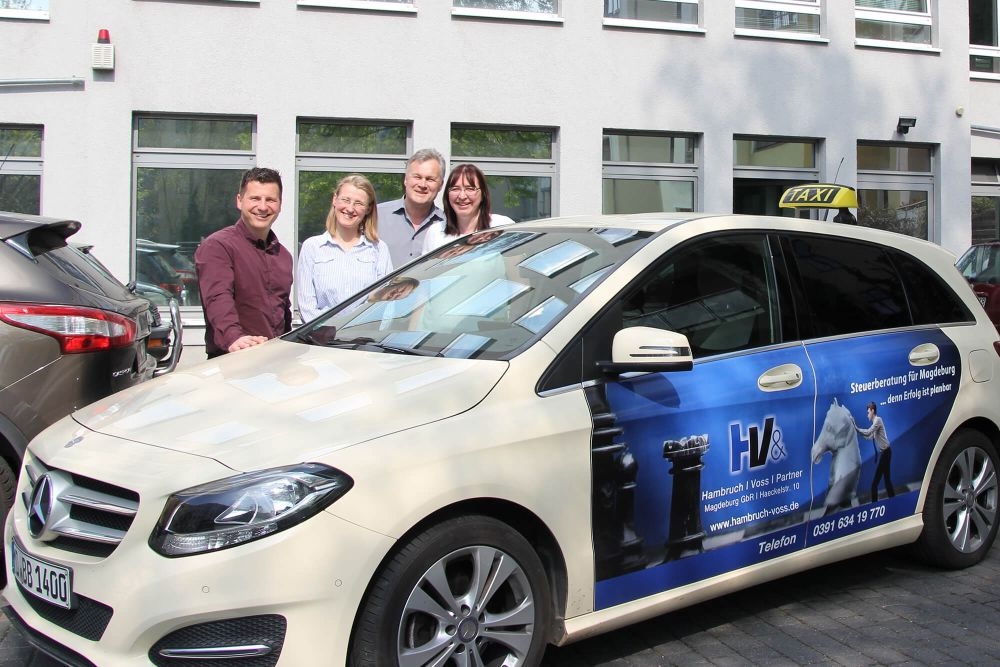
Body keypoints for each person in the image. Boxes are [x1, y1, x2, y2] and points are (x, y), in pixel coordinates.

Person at [195, 167, 293, 358]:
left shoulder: (283, 255)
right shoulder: (218, 246)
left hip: (275, 359)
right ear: (239, 201)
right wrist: (233, 337)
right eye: (255, 198)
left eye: (270, 200)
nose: (263, 207)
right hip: (234, 358)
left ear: (280, 205)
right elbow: (217, 297)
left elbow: (284, 311)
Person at [296, 174, 392, 322]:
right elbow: (306, 305)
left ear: (368, 208)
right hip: (320, 334)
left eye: (359, 203)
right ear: (335, 199)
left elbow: (384, 302)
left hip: (363, 333)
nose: (350, 208)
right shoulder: (312, 247)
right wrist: (327, 331)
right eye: (345, 200)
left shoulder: (379, 249)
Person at [422, 163, 515, 254]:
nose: (462, 196)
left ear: (483, 194)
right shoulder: (435, 232)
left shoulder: (502, 226)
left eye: (470, 189)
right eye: (455, 189)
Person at [377, 148, 447, 269]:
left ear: (440, 185)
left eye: (430, 179)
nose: (422, 185)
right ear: (405, 179)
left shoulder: (448, 225)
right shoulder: (376, 216)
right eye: (417, 177)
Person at [854, 401, 895, 501]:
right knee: (887, 481)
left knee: (874, 484)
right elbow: (869, 436)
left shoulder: (878, 420)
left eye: (868, 412)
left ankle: (875, 504)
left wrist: (857, 429)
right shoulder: (875, 424)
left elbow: (868, 432)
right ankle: (894, 501)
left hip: (886, 454)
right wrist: (857, 432)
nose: (867, 415)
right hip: (885, 453)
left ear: (872, 411)